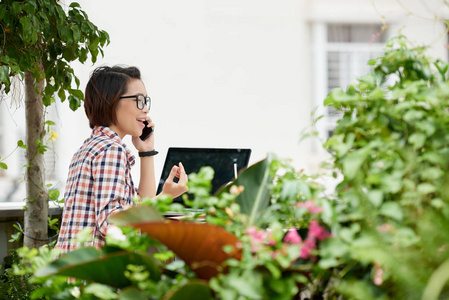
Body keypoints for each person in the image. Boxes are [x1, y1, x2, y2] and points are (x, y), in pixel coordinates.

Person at [55, 65, 188, 254]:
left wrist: (146, 152)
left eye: (146, 101)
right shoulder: (111, 150)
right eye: (139, 100)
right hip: (94, 273)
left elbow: (140, 204)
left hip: (74, 270)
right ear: (112, 102)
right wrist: (165, 197)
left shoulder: (89, 147)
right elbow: (113, 224)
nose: (146, 109)